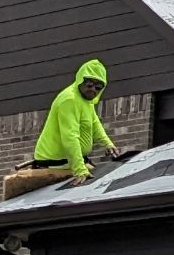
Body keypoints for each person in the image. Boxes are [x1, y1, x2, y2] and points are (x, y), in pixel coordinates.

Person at [20, 57, 123, 189]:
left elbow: (94, 123)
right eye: (89, 84)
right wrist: (80, 169)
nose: (93, 90)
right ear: (80, 79)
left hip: (68, 162)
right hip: (55, 164)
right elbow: (70, 136)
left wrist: (107, 143)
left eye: (98, 87)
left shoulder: (86, 100)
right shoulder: (69, 99)